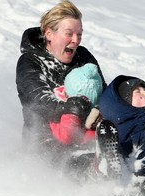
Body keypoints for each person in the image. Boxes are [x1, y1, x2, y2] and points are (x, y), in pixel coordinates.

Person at [16, 0, 106, 174]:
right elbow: (38, 100)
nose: (76, 40)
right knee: (81, 161)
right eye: (69, 34)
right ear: (49, 34)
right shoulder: (30, 61)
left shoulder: (83, 57)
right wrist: (70, 107)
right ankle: (100, 179)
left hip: (84, 138)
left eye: (79, 34)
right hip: (45, 145)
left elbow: (101, 91)